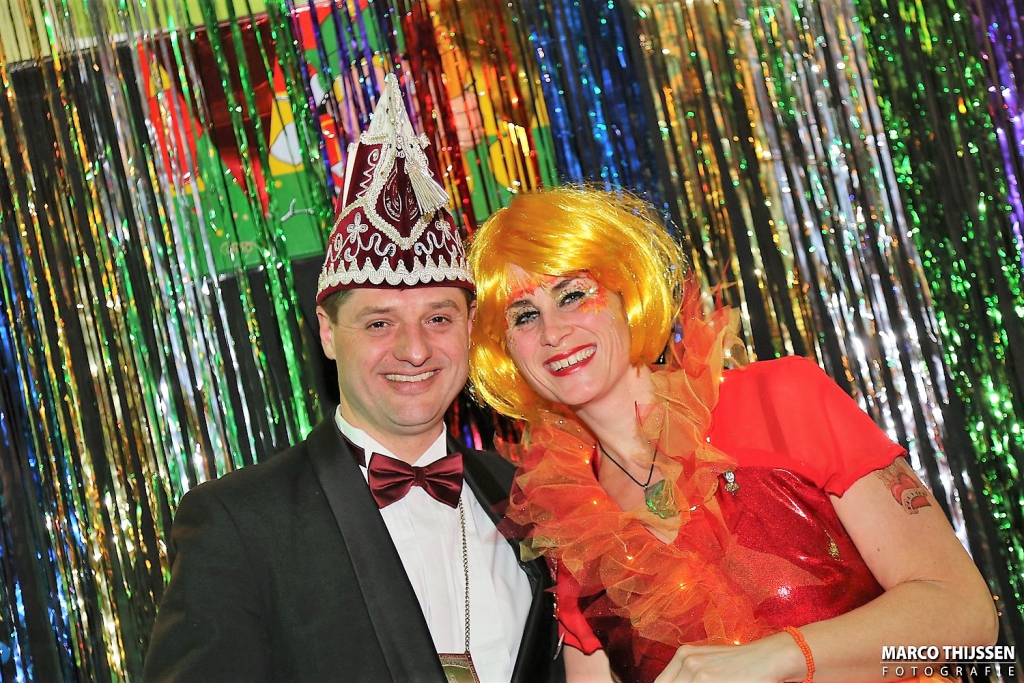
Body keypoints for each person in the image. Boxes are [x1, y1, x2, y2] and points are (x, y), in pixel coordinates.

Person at [466, 186, 999, 683]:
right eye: (524, 316)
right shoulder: (562, 522)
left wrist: (779, 656)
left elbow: (968, 617)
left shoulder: (780, 400)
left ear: (626, 293)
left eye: (573, 295)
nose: (554, 332)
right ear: (505, 348)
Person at [143, 75, 563, 683]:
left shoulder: (532, 497)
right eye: (379, 323)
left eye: (438, 318)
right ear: (327, 332)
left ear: (471, 327)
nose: (414, 350)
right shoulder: (240, 523)